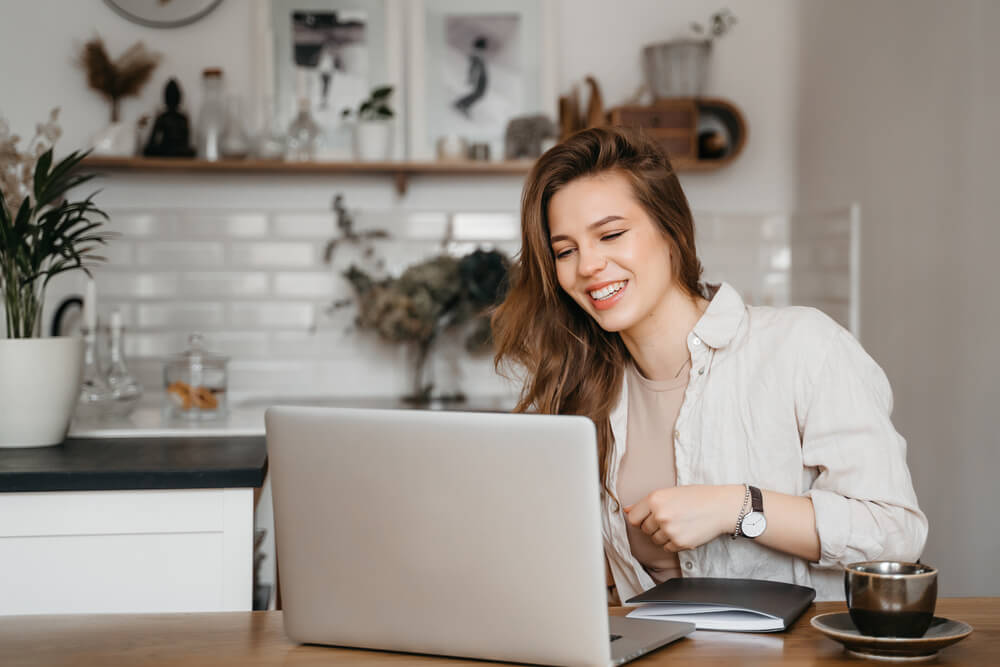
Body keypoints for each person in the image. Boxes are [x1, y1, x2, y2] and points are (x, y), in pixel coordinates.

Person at [490, 126, 927, 603]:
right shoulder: (579, 385)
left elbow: (895, 532)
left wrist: (737, 507)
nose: (588, 265)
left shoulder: (804, 346)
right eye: (565, 251)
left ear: (671, 230)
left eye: (611, 234)